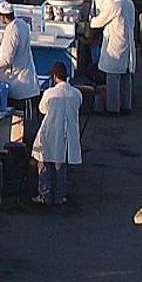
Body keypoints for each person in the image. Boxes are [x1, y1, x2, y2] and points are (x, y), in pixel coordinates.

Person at [33, 62, 82, 206]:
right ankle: (60, 197)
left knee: (44, 162)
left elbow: (42, 109)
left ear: (55, 77)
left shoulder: (50, 93)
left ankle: (45, 195)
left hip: (50, 131)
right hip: (67, 134)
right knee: (61, 165)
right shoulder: (76, 93)